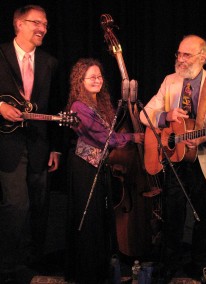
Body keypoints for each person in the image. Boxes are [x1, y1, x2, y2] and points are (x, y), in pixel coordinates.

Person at [139, 34, 206, 282]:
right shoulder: (170, 81)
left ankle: (201, 263)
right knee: (173, 214)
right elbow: (144, 114)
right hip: (176, 159)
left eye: (186, 55)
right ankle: (169, 263)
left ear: (202, 57)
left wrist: (203, 138)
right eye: (178, 54)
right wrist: (166, 116)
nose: (180, 59)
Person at [64, 58, 144, 284]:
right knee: (88, 219)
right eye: (91, 77)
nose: (97, 80)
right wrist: (132, 137)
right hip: (84, 168)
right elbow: (103, 138)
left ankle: (100, 269)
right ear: (80, 81)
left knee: (99, 218)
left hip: (98, 166)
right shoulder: (78, 106)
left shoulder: (100, 102)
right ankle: (86, 272)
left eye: (99, 76)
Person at [0, 5, 63, 283]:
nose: (43, 29)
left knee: (38, 206)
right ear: (19, 25)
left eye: (46, 24)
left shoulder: (50, 62)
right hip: (8, 145)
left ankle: (31, 260)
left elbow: (58, 108)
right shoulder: (0, 55)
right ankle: (9, 266)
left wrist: (56, 147)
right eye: (37, 22)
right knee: (16, 205)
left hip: (39, 145)